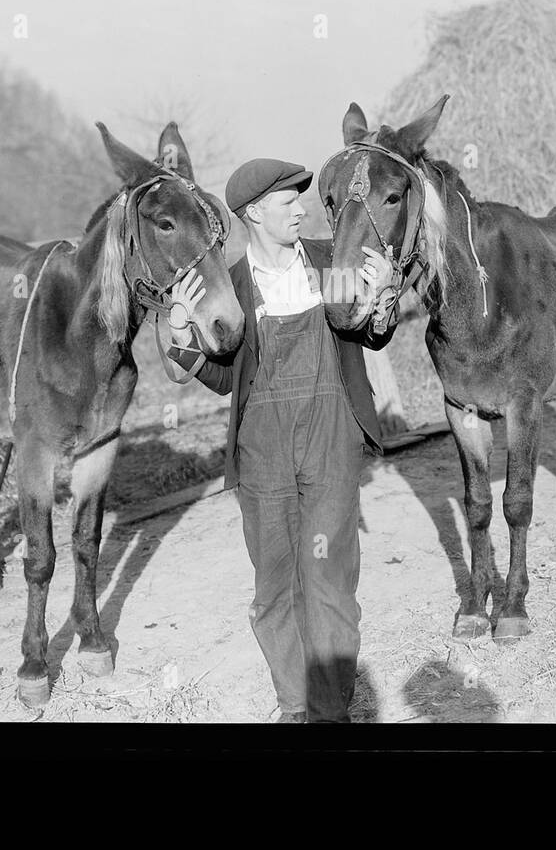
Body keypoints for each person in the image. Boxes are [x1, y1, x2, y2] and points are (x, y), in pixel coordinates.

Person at [165, 157, 397, 723]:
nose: (302, 208)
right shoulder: (233, 287)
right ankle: (296, 704)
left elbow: (371, 333)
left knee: (330, 581)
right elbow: (223, 379)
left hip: (330, 436)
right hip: (262, 447)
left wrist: (385, 295)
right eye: (287, 201)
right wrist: (178, 334)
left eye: (300, 198)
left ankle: (329, 709)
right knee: (274, 585)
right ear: (254, 214)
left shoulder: (328, 263)